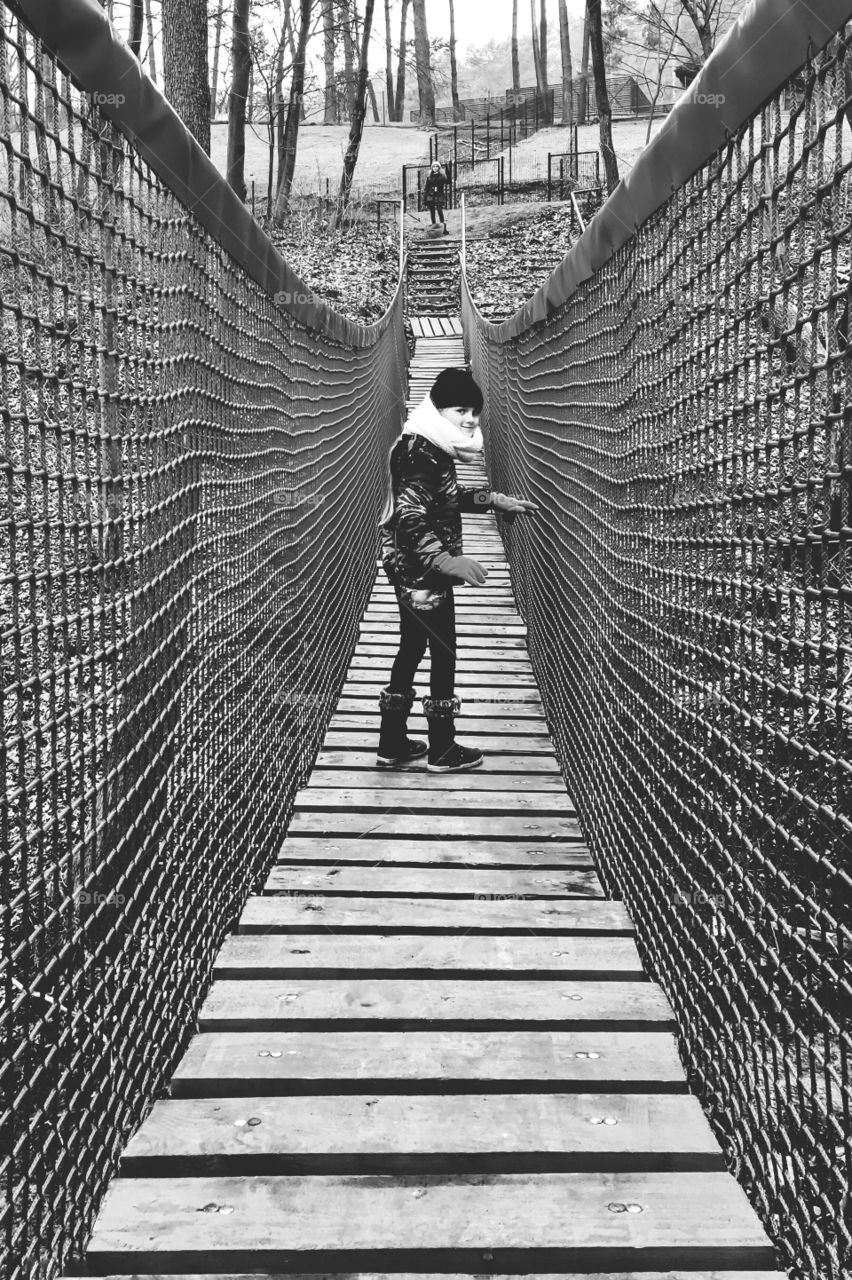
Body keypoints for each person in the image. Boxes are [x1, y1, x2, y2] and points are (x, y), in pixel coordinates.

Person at [376, 367, 538, 772]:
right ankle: (443, 749)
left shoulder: (429, 443)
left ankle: (392, 742)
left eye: (476, 412)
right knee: (442, 653)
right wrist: (444, 560)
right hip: (423, 573)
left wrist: (492, 500)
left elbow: (439, 499)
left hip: (411, 570)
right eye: (461, 410)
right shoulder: (420, 451)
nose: (470, 419)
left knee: (413, 648)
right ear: (438, 407)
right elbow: (412, 515)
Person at [424, 160, 449, 234]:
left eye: (437, 166)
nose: (435, 168)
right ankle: (434, 228)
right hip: (431, 195)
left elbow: (448, 181)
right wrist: (425, 198)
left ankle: (444, 228)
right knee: (432, 212)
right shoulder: (429, 177)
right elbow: (426, 187)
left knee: (439, 210)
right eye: (434, 166)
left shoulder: (442, 176)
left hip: (439, 195)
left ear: (439, 168)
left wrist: (447, 170)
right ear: (432, 168)